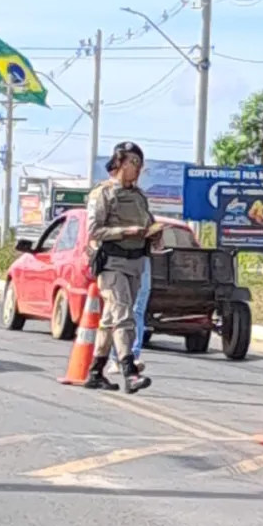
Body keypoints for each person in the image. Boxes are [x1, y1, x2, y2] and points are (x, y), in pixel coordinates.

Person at [84, 141, 158, 394]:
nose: (137, 169)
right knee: (123, 315)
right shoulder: (102, 194)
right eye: (133, 163)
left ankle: (95, 371)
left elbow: (149, 222)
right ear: (119, 164)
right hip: (112, 263)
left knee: (109, 320)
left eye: (140, 164)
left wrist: (153, 234)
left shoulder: (138, 197)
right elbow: (94, 230)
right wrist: (126, 231)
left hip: (136, 261)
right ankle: (129, 371)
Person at [108, 254, 151, 376]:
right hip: (120, 259)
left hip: (141, 258)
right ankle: (116, 358)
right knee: (121, 311)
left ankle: (132, 357)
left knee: (137, 311)